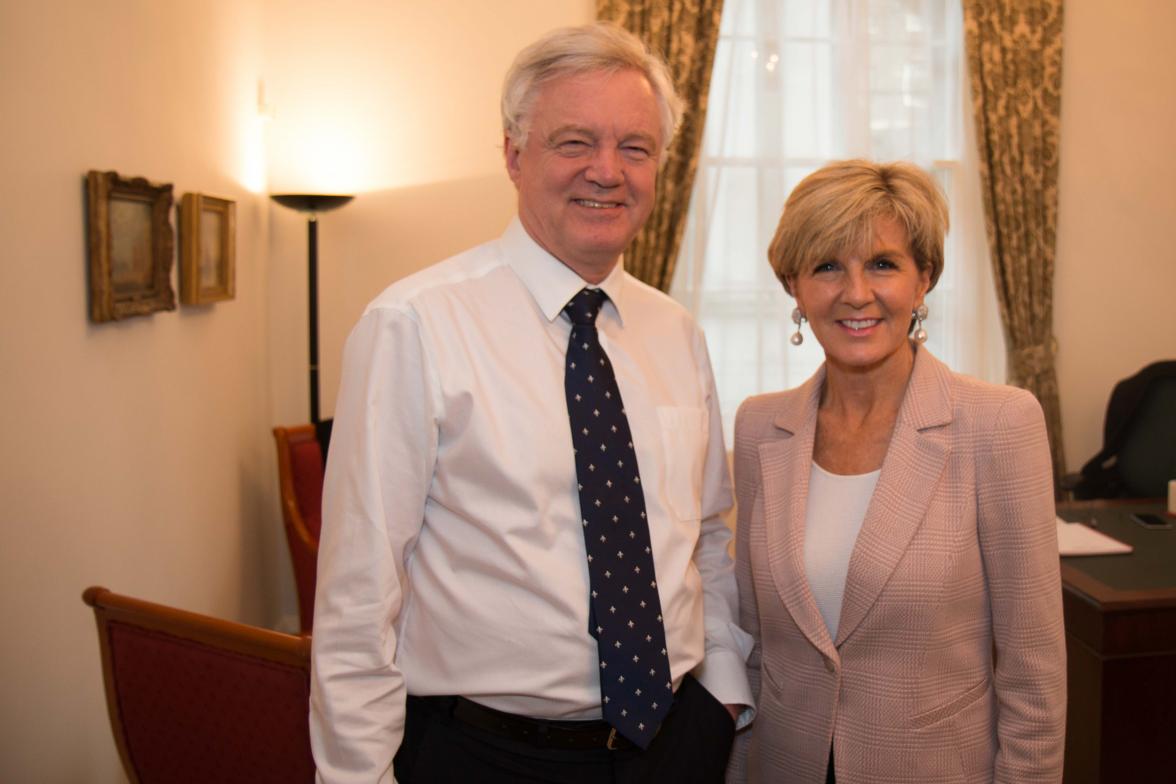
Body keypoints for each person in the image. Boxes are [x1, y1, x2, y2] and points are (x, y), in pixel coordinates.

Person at [310, 23, 754, 784]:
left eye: (636, 148)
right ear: (515, 154)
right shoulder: (415, 325)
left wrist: (721, 699)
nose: (607, 172)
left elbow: (707, 534)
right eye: (575, 142)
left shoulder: (675, 332)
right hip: (489, 754)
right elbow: (359, 591)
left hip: (672, 746)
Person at [728, 160, 1066, 783]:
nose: (856, 292)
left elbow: (1033, 673)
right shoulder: (758, 428)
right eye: (827, 265)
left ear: (923, 280)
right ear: (793, 287)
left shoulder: (999, 425)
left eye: (883, 263)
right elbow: (755, 645)